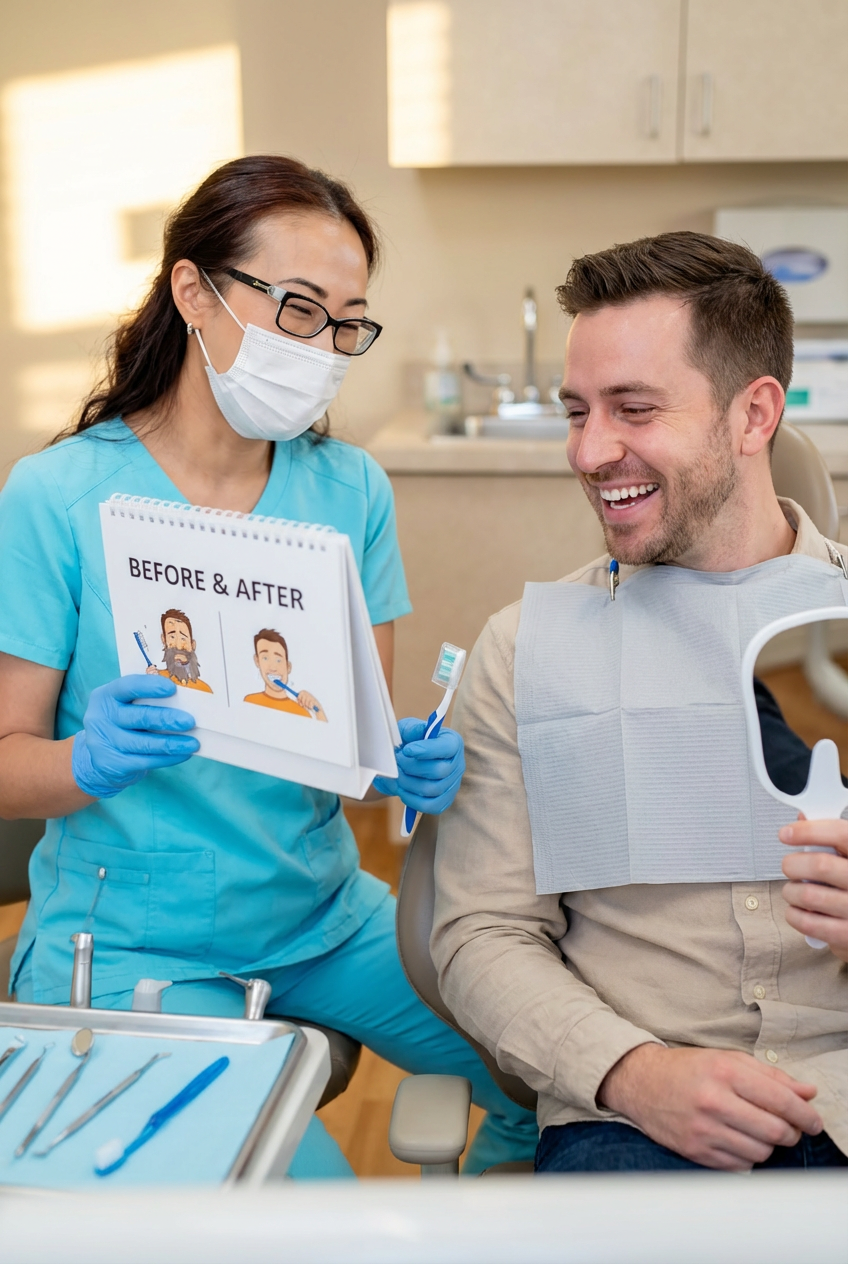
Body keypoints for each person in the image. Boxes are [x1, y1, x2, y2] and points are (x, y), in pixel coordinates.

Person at [0, 155, 536, 1177]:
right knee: (302, 1211)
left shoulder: (349, 490)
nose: (323, 348)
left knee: (547, 1074)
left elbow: (353, 745)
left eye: (346, 323)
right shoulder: (56, 498)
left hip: (323, 914)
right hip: (136, 942)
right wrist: (81, 761)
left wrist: (395, 761)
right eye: (297, 308)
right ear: (193, 291)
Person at [431, 231, 848, 1173]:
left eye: (634, 409)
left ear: (754, 415)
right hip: (631, 1120)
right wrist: (634, 1074)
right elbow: (483, 935)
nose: (589, 451)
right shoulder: (524, 652)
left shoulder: (834, 642)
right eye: (578, 412)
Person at [244, 628, 327, 719]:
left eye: (278, 660)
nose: (273, 668)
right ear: (257, 661)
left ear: (288, 667)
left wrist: (319, 711)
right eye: (265, 658)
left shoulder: (301, 713)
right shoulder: (249, 702)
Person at [146, 608, 213, 692]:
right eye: (172, 637)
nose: (178, 646)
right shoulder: (157, 678)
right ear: (164, 640)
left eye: (183, 638)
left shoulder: (204, 689)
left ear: (192, 645)